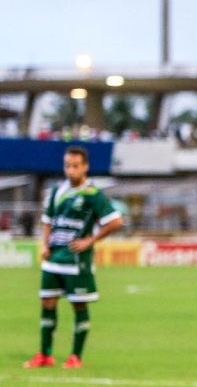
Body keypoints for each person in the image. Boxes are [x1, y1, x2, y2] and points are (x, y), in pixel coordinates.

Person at [23, 146, 123, 369]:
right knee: (47, 302)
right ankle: (45, 354)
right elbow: (47, 220)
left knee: (78, 305)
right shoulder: (57, 191)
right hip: (54, 257)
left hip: (77, 261)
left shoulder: (93, 194)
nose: (71, 170)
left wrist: (90, 241)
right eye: (67, 165)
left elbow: (115, 221)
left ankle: (75, 356)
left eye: (76, 166)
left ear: (85, 166)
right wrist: (44, 244)